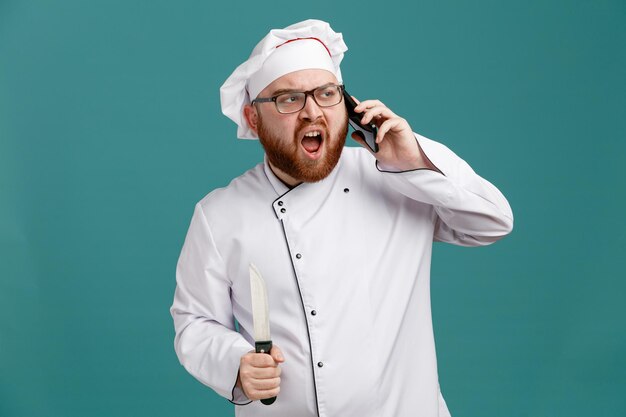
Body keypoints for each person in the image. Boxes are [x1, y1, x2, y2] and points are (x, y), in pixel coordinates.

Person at [170, 19, 513, 417]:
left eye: (326, 93)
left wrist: (415, 158)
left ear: (348, 105)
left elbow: (492, 221)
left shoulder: (396, 179)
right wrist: (237, 365)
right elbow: (194, 322)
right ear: (252, 118)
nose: (311, 112)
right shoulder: (219, 214)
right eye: (288, 99)